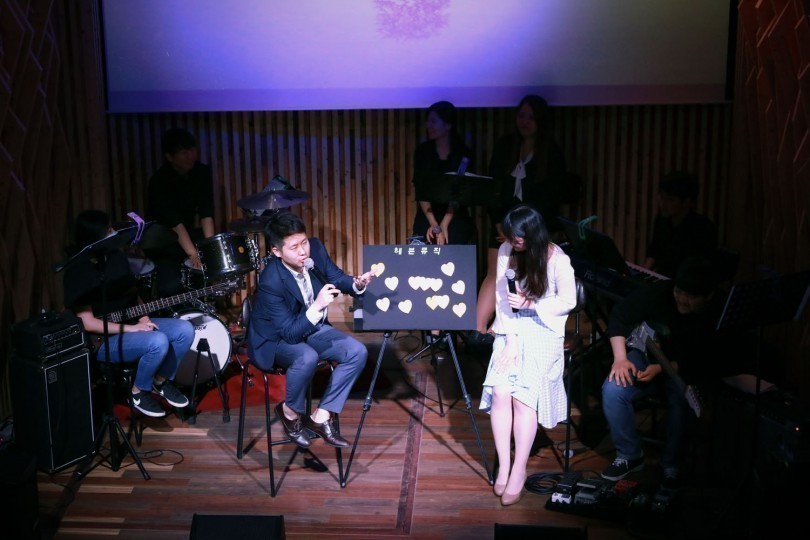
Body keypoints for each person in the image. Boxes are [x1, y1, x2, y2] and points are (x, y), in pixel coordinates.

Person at [247, 212, 376, 448]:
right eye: (294, 247)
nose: (303, 252)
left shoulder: (315, 249)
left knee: (356, 352)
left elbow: (336, 277)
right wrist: (317, 306)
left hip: (308, 327)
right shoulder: (270, 280)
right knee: (307, 356)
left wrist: (356, 284)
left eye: (304, 242)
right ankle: (289, 412)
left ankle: (320, 417)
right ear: (277, 251)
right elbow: (289, 333)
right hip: (274, 339)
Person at [479, 204, 577, 506]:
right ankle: (505, 465)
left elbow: (568, 301)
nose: (512, 242)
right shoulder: (507, 251)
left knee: (522, 397)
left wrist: (533, 305)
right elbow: (502, 297)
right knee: (500, 391)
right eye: (509, 237)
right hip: (513, 327)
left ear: (533, 234)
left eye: (517, 238)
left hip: (544, 329)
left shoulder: (558, 260)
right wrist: (510, 339)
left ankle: (519, 469)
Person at [600, 256, 727, 488]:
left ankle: (671, 465)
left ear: (708, 296)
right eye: (679, 291)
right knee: (613, 389)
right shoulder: (660, 292)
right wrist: (620, 359)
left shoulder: (719, 310)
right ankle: (629, 454)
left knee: (682, 400)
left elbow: (709, 359)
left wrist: (663, 368)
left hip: (685, 369)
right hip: (648, 357)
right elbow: (620, 315)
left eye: (691, 296)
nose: (682, 299)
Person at [63, 210, 194, 418]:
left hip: (132, 325)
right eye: (108, 229)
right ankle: (138, 392)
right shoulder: (78, 269)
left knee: (184, 330)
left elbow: (132, 293)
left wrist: (144, 318)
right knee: (158, 341)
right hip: (102, 340)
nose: (113, 232)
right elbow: (87, 322)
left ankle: (160, 380)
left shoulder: (116, 257)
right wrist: (132, 329)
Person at [465, 95, 568, 347]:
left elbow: (552, 198)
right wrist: (500, 224)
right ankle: (477, 331)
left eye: (531, 117)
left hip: (533, 229)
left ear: (541, 120)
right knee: (494, 272)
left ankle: (501, 329)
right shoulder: (505, 146)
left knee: (524, 273)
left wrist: (526, 231)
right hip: (503, 224)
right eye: (522, 115)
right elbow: (493, 189)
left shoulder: (551, 152)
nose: (525, 121)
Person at [146, 128, 216, 295]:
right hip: (162, 240)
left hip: (188, 232)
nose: (190, 156)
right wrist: (193, 254)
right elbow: (174, 222)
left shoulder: (202, 172)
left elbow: (206, 212)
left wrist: (211, 248)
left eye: (192, 150)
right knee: (172, 286)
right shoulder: (159, 181)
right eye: (184, 153)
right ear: (170, 157)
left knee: (208, 273)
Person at [411, 100, 475, 246]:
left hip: (454, 214)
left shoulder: (463, 153)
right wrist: (434, 224)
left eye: (433, 121)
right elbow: (420, 189)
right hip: (427, 215)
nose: (428, 125)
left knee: (457, 233)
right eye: (428, 121)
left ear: (448, 125)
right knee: (421, 243)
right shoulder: (422, 152)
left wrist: (444, 224)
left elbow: (459, 192)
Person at [644, 171, 717, 278]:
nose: (663, 204)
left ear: (686, 202)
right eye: (661, 197)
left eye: (670, 199)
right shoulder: (661, 220)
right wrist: (643, 273)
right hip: (662, 279)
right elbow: (654, 251)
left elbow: (700, 270)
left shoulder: (703, 228)